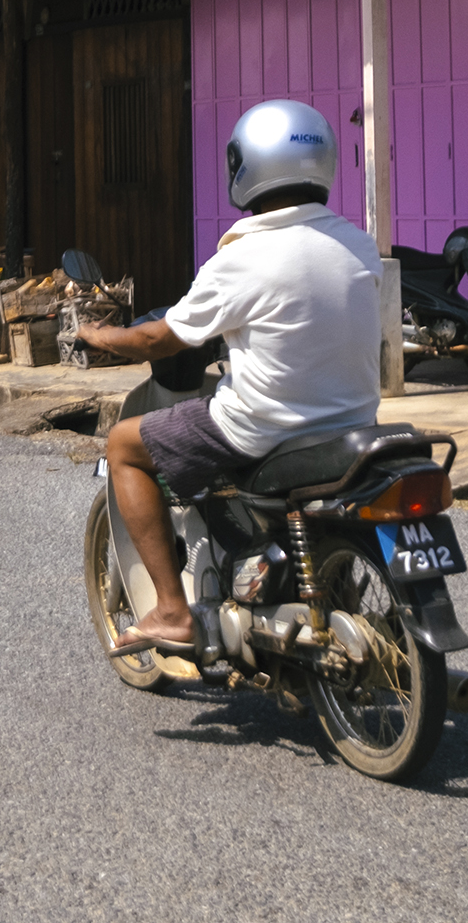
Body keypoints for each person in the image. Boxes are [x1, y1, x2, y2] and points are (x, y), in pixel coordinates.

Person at [74, 98, 383, 656]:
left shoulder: (244, 257)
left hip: (263, 429)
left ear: (247, 166)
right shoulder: (358, 245)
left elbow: (159, 339)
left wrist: (99, 336)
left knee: (123, 445)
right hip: (351, 425)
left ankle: (172, 612)